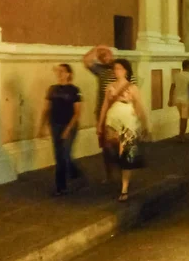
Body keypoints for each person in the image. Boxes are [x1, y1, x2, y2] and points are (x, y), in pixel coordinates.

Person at [97, 59, 148, 201]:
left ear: (125, 70)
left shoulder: (132, 88)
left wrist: (144, 124)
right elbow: (105, 106)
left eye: (119, 68)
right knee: (111, 151)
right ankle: (118, 175)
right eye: (115, 69)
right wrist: (100, 123)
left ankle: (124, 188)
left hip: (128, 122)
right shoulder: (110, 87)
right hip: (112, 121)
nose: (116, 71)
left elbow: (139, 106)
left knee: (126, 155)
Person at [84, 44, 136, 182]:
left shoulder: (123, 70)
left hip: (122, 115)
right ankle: (109, 175)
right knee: (106, 148)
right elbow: (86, 60)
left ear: (111, 55)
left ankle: (122, 173)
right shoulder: (100, 70)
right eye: (101, 57)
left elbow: (134, 91)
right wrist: (97, 48)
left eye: (106, 55)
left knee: (121, 145)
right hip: (104, 113)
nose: (104, 58)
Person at [38, 64, 83, 196]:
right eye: (58, 72)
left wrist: (68, 129)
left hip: (69, 125)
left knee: (65, 154)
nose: (59, 74)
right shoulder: (52, 89)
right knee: (59, 156)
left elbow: (77, 112)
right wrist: (42, 126)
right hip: (55, 124)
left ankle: (69, 177)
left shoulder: (74, 90)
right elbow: (47, 109)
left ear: (69, 74)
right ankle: (61, 185)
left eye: (62, 71)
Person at [168, 59, 189, 142]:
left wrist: (170, 99)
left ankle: (181, 134)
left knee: (181, 118)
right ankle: (181, 136)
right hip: (185, 100)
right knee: (184, 118)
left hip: (177, 99)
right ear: (188, 67)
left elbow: (172, 88)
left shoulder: (176, 75)